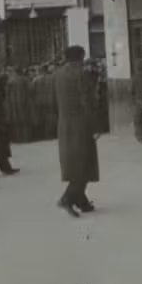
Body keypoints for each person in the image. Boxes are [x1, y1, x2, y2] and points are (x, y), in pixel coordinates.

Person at [53, 46, 100, 217]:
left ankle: (82, 202)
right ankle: (67, 198)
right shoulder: (81, 74)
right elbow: (87, 101)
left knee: (74, 163)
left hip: (64, 124)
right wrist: (94, 127)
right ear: (80, 58)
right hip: (81, 124)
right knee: (84, 163)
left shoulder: (58, 74)